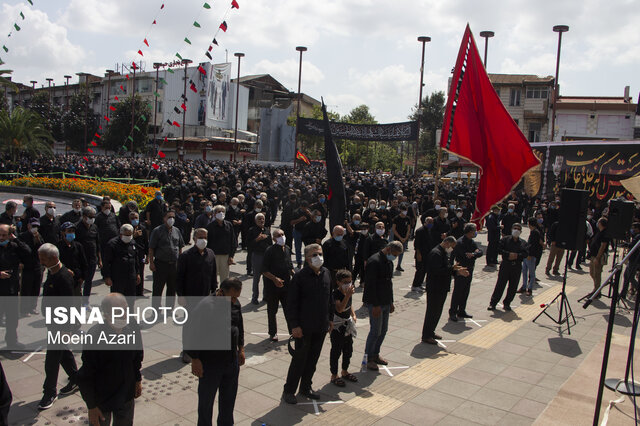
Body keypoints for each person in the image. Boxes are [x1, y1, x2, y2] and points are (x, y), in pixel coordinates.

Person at [76, 293, 143, 426]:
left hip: (126, 395)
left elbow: (136, 357)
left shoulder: (132, 326)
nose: (124, 315)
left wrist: (137, 379)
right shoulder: (95, 337)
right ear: (106, 315)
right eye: (118, 312)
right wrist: (91, 406)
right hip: (102, 399)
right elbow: (86, 375)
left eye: (126, 310)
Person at [189, 278, 245, 426]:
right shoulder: (205, 307)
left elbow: (239, 325)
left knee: (228, 400)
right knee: (206, 403)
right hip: (210, 363)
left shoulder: (235, 303)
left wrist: (241, 349)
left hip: (230, 361)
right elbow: (191, 334)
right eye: (231, 297)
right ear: (221, 292)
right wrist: (195, 359)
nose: (234, 301)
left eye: (236, 298)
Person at [282, 244, 333, 405]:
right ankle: (289, 390)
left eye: (320, 254)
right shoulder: (300, 277)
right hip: (303, 328)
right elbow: (291, 304)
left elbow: (329, 299)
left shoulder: (326, 273)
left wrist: (330, 319)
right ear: (307, 258)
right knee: (299, 360)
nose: (318, 257)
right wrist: (294, 325)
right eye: (314, 255)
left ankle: (306, 387)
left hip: (321, 326)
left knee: (313, 360)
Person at [38, 243, 79, 410]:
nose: (41, 262)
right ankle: (77, 379)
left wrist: (67, 328)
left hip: (61, 325)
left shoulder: (63, 277)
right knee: (63, 354)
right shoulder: (53, 272)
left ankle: (49, 392)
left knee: (52, 360)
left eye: (44, 259)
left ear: (54, 258)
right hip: (53, 323)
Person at [176, 228, 218, 363]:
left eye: (205, 237)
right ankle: (187, 351)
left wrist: (214, 292)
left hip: (206, 296)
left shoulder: (210, 254)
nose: (203, 240)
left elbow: (213, 275)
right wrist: (180, 295)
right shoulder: (186, 256)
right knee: (189, 325)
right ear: (194, 239)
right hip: (190, 297)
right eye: (200, 237)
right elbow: (179, 278)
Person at [362, 241, 403, 371]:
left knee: (383, 330)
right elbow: (370, 286)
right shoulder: (374, 261)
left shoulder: (388, 261)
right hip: (376, 303)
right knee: (375, 331)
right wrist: (375, 305)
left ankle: (375, 354)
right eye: (394, 254)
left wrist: (391, 301)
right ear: (389, 249)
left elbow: (388, 283)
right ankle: (369, 358)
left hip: (385, 301)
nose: (395, 257)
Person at [422, 236, 469, 344]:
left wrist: (456, 271)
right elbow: (437, 271)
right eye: (451, 246)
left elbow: (446, 269)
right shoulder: (436, 253)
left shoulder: (443, 252)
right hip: (435, 288)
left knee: (437, 311)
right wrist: (452, 269)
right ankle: (426, 335)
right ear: (447, 243)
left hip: (441, 287)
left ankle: (431, 332)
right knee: (432, 312)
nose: (451, 249)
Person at [0, 224, 31, 347]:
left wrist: (16, 239)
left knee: (12, 320)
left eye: (4, 235)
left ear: (9, 235)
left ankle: (12, 342)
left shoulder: (14, 247)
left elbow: (28, 252)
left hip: (11, 290)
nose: (1, 238)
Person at [262, 229, 294, 341]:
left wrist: (294, 275)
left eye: (282, 234)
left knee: (289, 309)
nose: (281, 237)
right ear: (274, 238)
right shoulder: (269, 251)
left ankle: (292, 331)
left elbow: (290, 266)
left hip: (286, 286)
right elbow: (264, 270)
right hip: (272, 287)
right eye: (278, 235)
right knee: (272, 310)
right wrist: (275, 279)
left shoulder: (287, 249)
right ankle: (272, 333)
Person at [488, 223, 529, 311]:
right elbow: (499, 249)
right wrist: (508, 254)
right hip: (506, 265)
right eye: (515, 228)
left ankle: (507, 303)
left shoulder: (523, 242)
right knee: (500, 285)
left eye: (518, 229)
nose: (516, 230)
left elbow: (526, 253)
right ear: (511, 229)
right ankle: (493, 303)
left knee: (513, 286)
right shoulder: (505, 240)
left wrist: (517, 255)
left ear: (521, 231)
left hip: (516, 266)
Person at [149, 210, 184, 310]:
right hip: (161, 264)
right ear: (164, 218)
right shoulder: (157, 231)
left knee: (172, 288)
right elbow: (151, 248)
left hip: (174, 264)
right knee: (158, 288)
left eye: (173, 217)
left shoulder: (176, 231)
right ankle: (155, 309)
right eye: (169, 217)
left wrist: (180, 262)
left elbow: (180, 246)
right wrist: (151, 263)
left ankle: (170, 309)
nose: (171, 219)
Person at [329, 269, 358, 387]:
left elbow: (349, 305)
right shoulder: (336, 294)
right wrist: (348, 295)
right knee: (336, 351)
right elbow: (340, 308)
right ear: (338, 283)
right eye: (345, 282)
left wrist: (353, 314)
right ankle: (334, 375)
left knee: (348, 349)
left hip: (347, 325)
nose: (348, 284)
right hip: (337, 326)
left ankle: (345, 371)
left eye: (350, 281)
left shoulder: (348, 292)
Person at [102, 224, 141, 308]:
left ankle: (130, 317)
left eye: (130, 235)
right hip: (117, 277)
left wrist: (137, 273)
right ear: (121, 234)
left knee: (131, 299)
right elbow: (106, 262)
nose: (128, 237)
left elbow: (136, 260)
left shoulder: (133, 243)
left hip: (130, 276)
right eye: (126, 235)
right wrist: (107, 277)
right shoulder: (112, 244)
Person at [449, 224, 482, 321]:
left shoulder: (471, 242)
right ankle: (453, 311)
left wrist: (474, 254)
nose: (475, 232)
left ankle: (461, 310)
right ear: (470, 232)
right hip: (461, 269)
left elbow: (479, 252)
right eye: (474, 230)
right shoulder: (460, 242)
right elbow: (459, 255)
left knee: (465, 291)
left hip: (470, 268)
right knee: (458, 291)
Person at [75, 207, 101, 305]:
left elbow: (97, 243)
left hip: (92, 259)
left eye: (93, 217)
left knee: (88, 281)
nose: (92, 218)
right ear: (84, 217)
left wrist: (100, 259)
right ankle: (77, 302)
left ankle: (85, 302)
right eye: (90, 217)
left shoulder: (94, 227)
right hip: (80, 260)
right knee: (79, 281)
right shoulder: (77, 227)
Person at [18, 218, 44, 316]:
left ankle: (33, 307)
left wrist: (37, 239)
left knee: (36, 288)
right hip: (27, 266)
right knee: (26, 289)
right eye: (33, 226)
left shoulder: (39, 236)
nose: (35, 228)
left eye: (36, 226)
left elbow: (42, 248)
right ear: (28, 225)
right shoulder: (22, 236)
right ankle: (24, 309)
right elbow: (19, 249)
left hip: (37, 265)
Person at [205, 205, 237, 283]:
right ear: (214, 214)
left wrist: (231, 256)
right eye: (219, 212)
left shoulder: (229, 225)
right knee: (212, 278)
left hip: (225, 256)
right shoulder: (210, 227)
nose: (221, 213)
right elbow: (207, 243)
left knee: (225, 278)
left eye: (223, 212)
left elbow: (233, 241)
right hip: (213, 256)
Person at [57, 222, 88, 297]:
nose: (72, 233)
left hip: (76, 280)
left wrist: (82, 277)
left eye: (73, 231)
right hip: (62, 280)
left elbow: (84, 262)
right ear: (63, 232)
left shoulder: (78, 246)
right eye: (69, 231)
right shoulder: (58, 247)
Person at [247, 213, 272, 304]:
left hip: (266, 256)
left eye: (263, 219)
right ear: (255, 221)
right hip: (257, 255)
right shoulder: (252, 230)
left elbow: (270, 244)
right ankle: (255, 297)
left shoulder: (266, 230)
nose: (261, 221)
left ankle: (265, 296)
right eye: (259, 219)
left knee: (267, 277)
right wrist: (257, 239)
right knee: (256, 278)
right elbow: (248, 245)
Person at [519, 218, 544, 296]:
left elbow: (534, 245)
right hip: (527, 255)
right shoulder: (533, 231)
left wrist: (530, 254)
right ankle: (523, 286)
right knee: (524, 272)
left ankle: (529, 288)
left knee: (531, 273)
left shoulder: (535, 232)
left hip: (531, 256)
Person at [588, 217, 610, 297]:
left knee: (597, 274)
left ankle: (597, 291)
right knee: (592, 273)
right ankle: (596, 288)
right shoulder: (599, 232)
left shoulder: (605, 233)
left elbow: (603, 246)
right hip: (593, 255)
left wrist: (598, 257)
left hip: (598, 256)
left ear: (600, 223)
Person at [412, 216, 435, 291]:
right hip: (420, 254)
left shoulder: (430, 230)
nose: (431, 224)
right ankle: (415, 285)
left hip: (427, 254)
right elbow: (417, 244)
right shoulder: (420, 231)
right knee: (419, 270)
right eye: (429, 222)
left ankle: (420, 284)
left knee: (424, 270)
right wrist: (418, 254)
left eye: (432, 222)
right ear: (425, 222)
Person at [391, 204, 411, 272]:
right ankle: (390, 264)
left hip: (404, 238)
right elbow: (394, 229)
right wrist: (400, 237)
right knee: (393, 251)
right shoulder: (396, 218)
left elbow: (408, 228)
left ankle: (399, 265)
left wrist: (406, 237)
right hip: (397, 237)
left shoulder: (407, 218)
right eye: (404, 210)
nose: (405, 212)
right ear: (401, 210)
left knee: (401, 252)